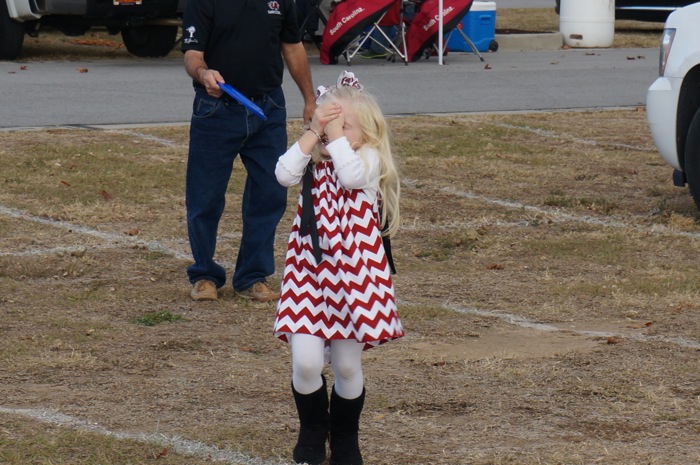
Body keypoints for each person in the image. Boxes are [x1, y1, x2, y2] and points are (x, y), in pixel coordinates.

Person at [273, 71, 404, 465]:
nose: (336, 131)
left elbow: (349, 177)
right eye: (333, 123)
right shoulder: (316, 160)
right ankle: (313, 428)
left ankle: (345, 436)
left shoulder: (367, 159)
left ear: (366, 132)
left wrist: (337, 137)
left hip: (354, 279)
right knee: (306, 361)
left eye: (345, 125)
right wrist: (313, 132)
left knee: (347, 365)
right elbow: (282, 173)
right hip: (309, 275)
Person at [181, 0, 317, 302]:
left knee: (270, 193)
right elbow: (192, 55)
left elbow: (293, 47)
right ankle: (204, 274)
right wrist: (203, 74)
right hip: (216, 108)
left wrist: (309, 98)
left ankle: (252, 276)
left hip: (268, 107)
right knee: (205, 196)